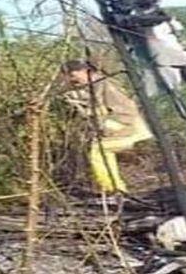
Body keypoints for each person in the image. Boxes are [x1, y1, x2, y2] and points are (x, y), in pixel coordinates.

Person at [62, 59, 152, 194]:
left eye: (73, 75)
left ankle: (112, 190)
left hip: (128, 126)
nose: (72, 80)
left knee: (98, 151)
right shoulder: (93, 85)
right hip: (120, 126)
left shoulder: (105, 84)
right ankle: (117, 189)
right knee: (102, 151)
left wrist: (110, 126)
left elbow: (126, 109)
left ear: (85, 71)